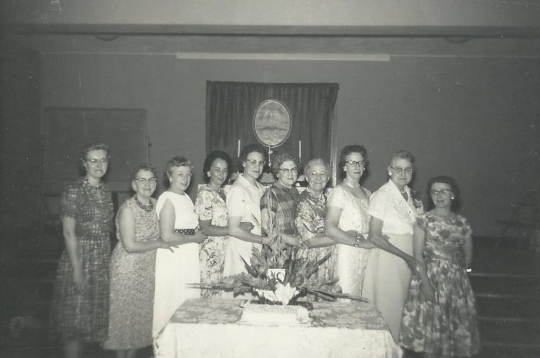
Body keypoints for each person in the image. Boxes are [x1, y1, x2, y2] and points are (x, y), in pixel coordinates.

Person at [400, 176, 480, 357]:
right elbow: (417, 255)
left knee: (451, 335)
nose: (439, 195)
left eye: (444, 191)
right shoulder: (423, 220)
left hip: (455, 282)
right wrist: (427, 285)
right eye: (435, 191)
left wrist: (458, 276)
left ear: (453, 195)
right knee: (431, 334)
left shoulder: (462, 223)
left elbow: (468, 257)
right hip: (429, 277)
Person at [50, 142, 114, 358]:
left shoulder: (105, 191)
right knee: (74, 323)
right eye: (93, 160)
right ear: (84, 164)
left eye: (103, 160)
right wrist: (77, 271)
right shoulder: (74, 191)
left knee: (90, 321)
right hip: (80, 259)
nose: (99, 164)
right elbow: (69, 233)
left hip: (101, 260)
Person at [103, 165, 170, 358]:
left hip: (147, 271)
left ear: (156, 184)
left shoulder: (158, 205)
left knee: (138, 327)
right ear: (134, 184)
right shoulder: (128, 210)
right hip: (127, 270)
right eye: (142, 180)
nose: (147, 184)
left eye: (151, 180)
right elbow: (130, 245)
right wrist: (159, 242)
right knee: (123, 326)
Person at [362, 150, 424, 341]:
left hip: (409, 261)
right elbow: (374, 236)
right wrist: (408, 258)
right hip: (389, 261)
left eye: (408, 169)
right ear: (389, 171)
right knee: (388, 313)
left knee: (401, 314)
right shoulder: (382, 195)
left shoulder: (413, 197)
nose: (403, 173)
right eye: (398, 169)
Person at [153, 157, 206, 337]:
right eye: (180, 175)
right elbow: (167, 236)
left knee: (186, 302)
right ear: (169, 176)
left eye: (188, 174)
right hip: (173, 258)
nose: (185, 179)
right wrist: (194, 238)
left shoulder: (185, 198)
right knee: (172, 303)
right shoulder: (167, 199)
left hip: (187, 256)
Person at [194, 150, 253, 297]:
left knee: (220, 296)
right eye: (217, 169)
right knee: (209, 298)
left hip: (223, 254)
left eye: (225, 170)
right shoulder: (205, 194)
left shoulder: (223, 193)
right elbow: (205, 228)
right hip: (210, 255)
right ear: (208, 172)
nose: (221, 174)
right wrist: (235, 228)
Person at [324, 145, 376, 297]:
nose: (357, 166)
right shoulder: (339, 192)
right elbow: (330, 229)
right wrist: (358, 242)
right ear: (344, 166)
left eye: (360, 163)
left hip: (367, 253)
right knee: (347, 297)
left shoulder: (368, 193)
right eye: (352, 162)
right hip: (346, 254)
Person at [223, 144, 270, 277]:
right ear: (244, 163)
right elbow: (233, 229)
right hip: (242, 250)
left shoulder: (261, 188)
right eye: (253, 162)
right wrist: (263, 240)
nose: (257, 166)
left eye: (261, 162)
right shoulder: (238, 189)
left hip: (257, 250)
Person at [295, 158, 337, 283]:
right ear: (306, 178)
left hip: (331, 258)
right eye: (313, 174)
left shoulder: (330, 199)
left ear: (328, 177)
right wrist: (343, 237)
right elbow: (310, 241)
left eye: (322, 173)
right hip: (311, 262)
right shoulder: (302, 202)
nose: (318, 178)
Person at [260, 153, 301, 247]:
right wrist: (293, 241)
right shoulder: (272, 193)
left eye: (293, 169)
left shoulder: (296, 193)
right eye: (285, 170)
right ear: (277, 173)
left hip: (296, 250)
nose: (290, 174)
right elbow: (266, 227)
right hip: (279, 252)